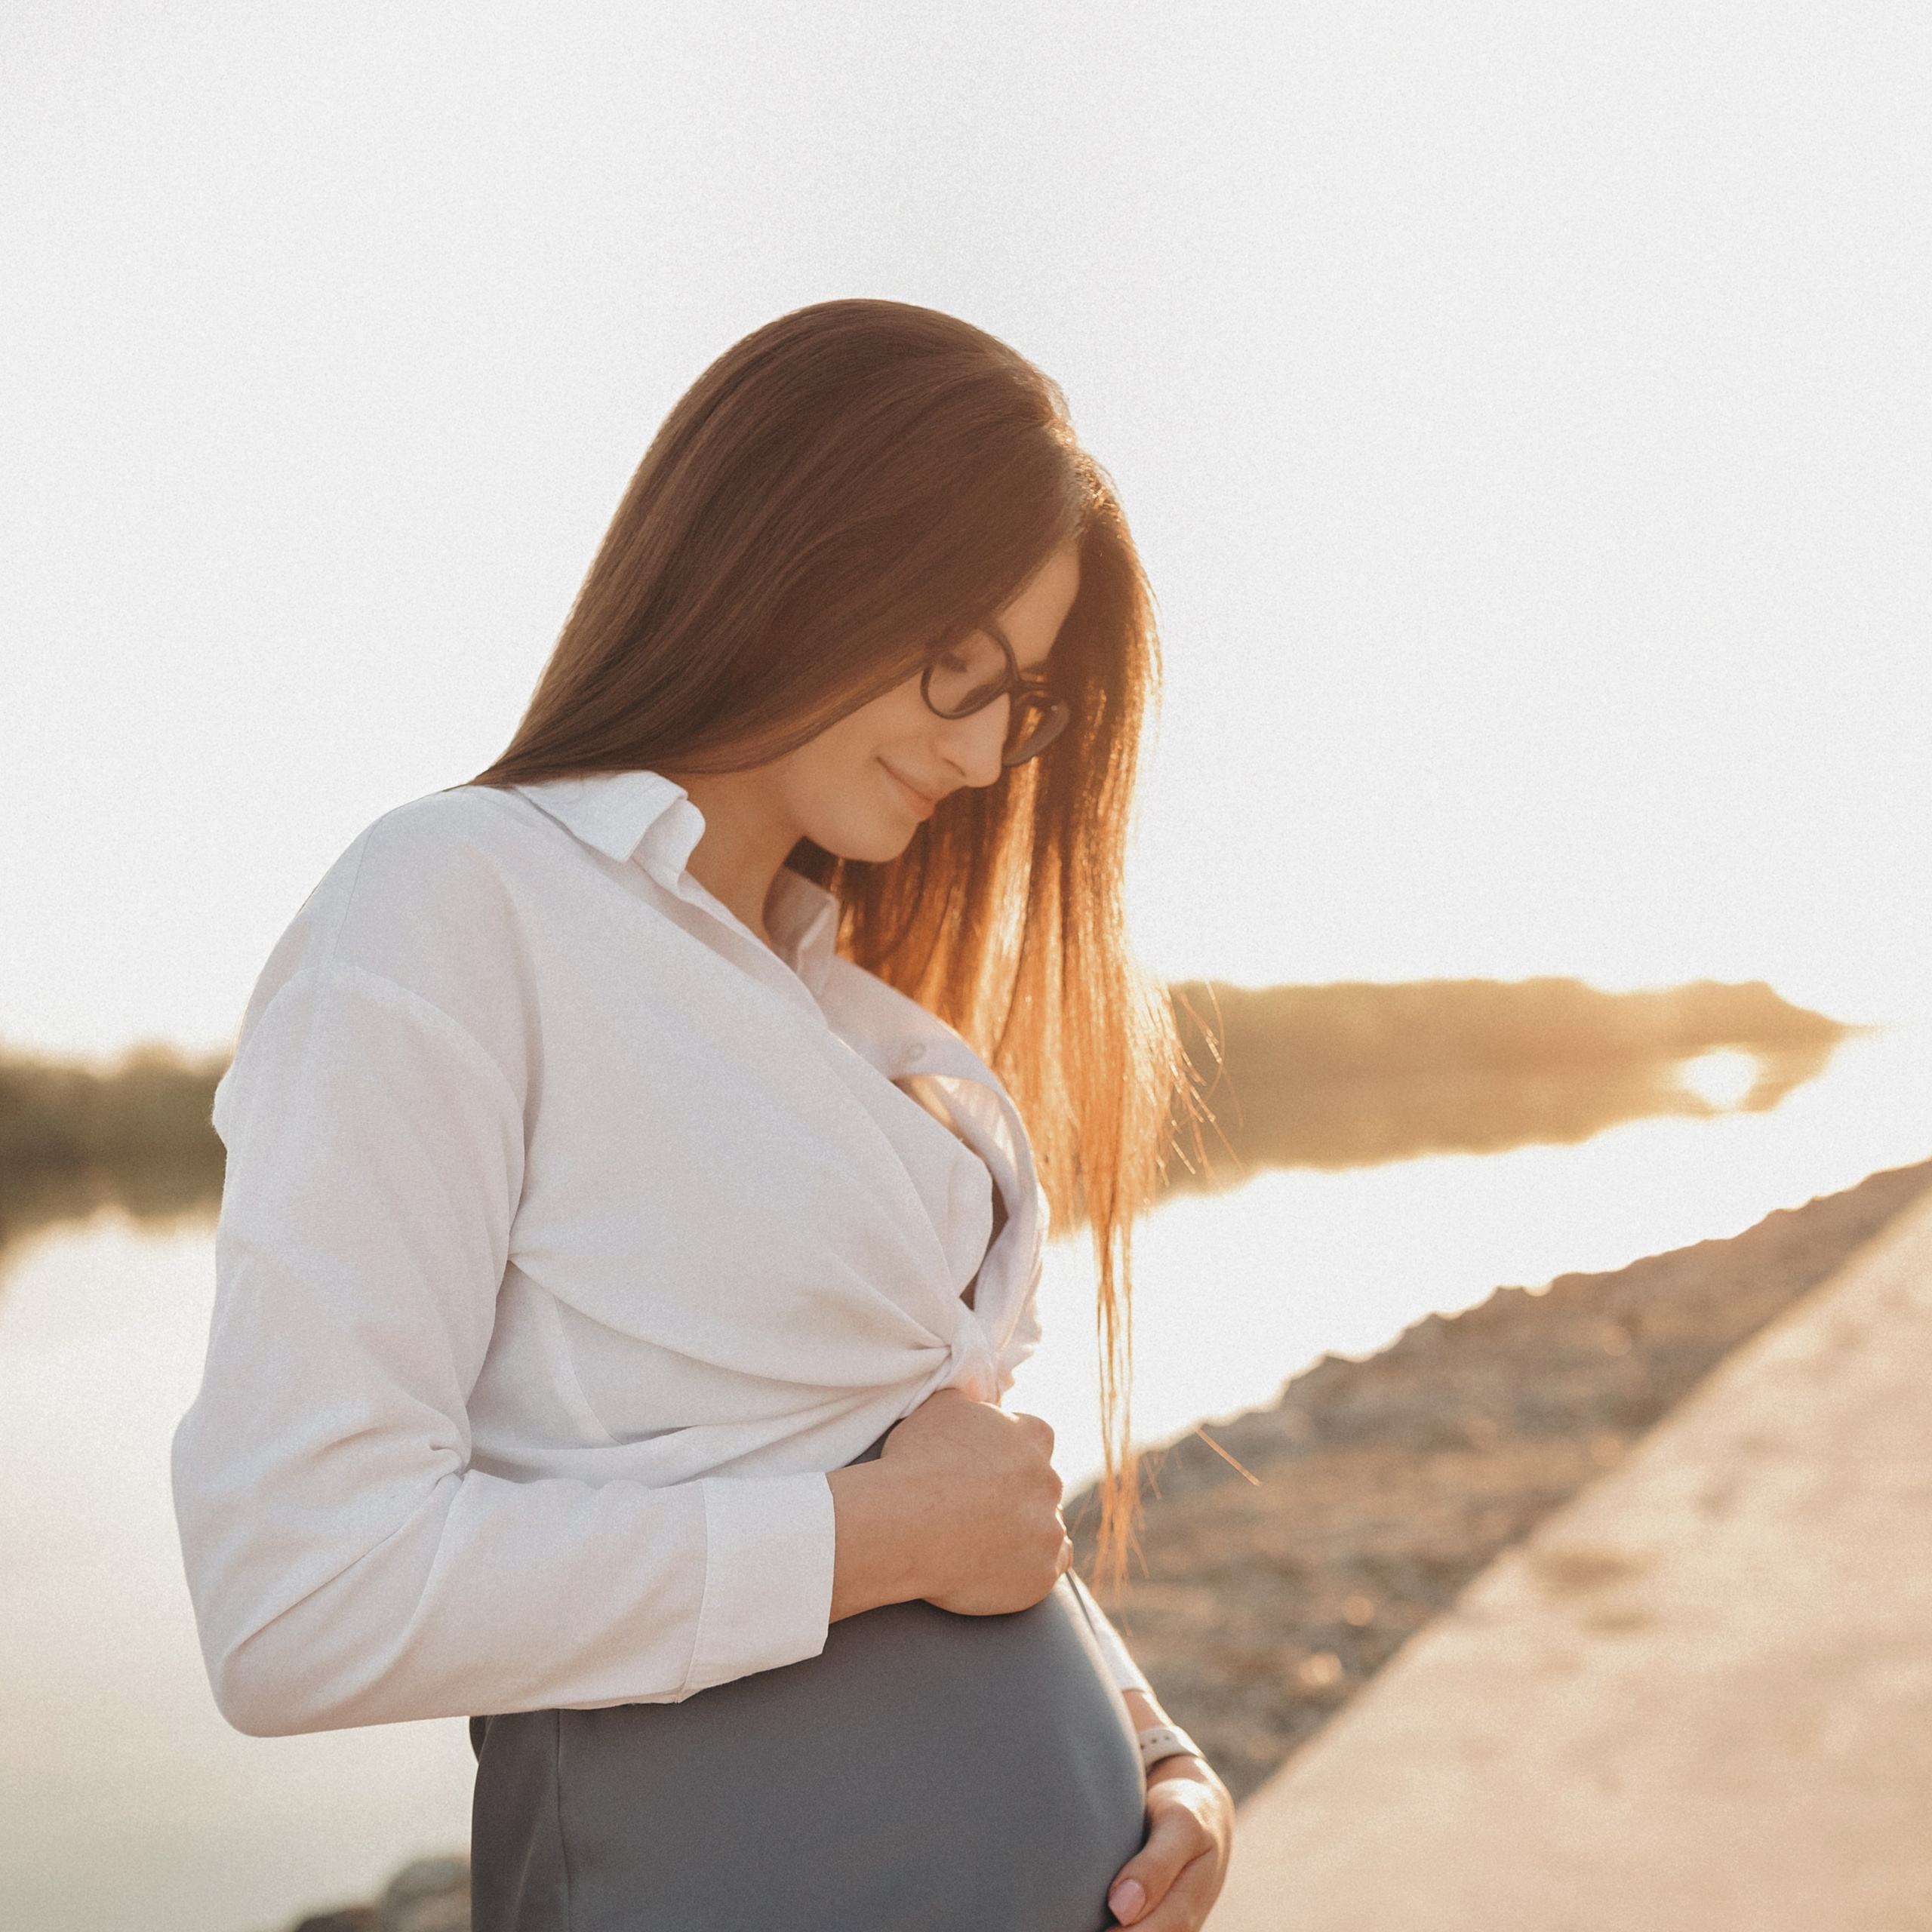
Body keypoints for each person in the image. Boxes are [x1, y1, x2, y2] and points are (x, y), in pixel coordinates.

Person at [172, 299, 1233, 1930]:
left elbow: (942, 1484)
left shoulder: (853, 1016)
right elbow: (298, 1595)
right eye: (957, 660)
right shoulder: (456, 907)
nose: (974, 748)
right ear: (797, 547)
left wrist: (1149, 1743)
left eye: (1018, 699)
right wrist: (863, 1537)